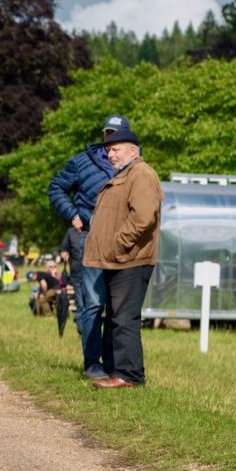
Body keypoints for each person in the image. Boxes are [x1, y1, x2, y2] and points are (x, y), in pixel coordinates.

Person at [48, 114, 130, 380]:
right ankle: (92, 363)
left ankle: (114, 364)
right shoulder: (83, 162)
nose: (111, 138)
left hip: (122, 243)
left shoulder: (133, 165)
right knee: (93, 303)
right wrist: (73, 215)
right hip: (91, 238)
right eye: (108, 133)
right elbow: (56, 187)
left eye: (116, 134)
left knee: (117, 306)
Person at [83, 129, 163, 389]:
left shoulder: (141, 174)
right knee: (116, 316)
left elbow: (143, 217)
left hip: (131, 259)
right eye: (108, 150)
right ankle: (117, 370)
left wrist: (118, 244)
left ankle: (129, 376)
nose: (110, 154)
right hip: (117, 260)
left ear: (133, 150)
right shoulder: (124, 175)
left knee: (125, 318)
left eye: (115, 149)